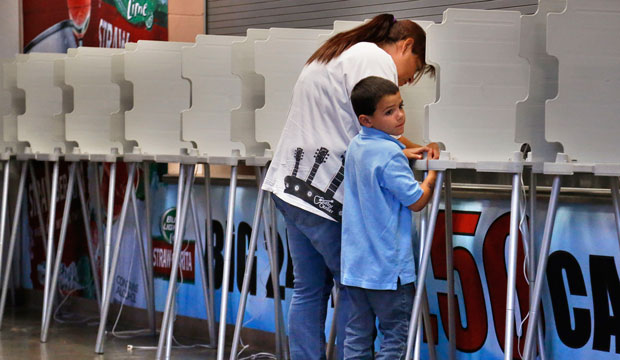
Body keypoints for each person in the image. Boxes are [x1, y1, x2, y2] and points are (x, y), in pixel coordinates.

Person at [262, 14, 438, 359]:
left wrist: (403, 146)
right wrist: (406, 148)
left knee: (308, 289)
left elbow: (358, 124)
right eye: (413, 70)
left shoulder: (335, 52)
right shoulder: (375, 59)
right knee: (354, 289)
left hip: (289, 185)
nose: (407, 80)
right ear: (406, 46)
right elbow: (374, 122)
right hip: (324, 194)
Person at [341, 76, 436, 359]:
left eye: (400, 106)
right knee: (395, 338)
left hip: (357, 267)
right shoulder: (390, 156)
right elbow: (417, 200)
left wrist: (402, 151)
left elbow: (378, 162)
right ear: (366, 119)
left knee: (356, 335)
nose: (400, 115)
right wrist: (431, 175)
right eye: (389, 111)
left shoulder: (357, 146)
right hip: (388, 269)